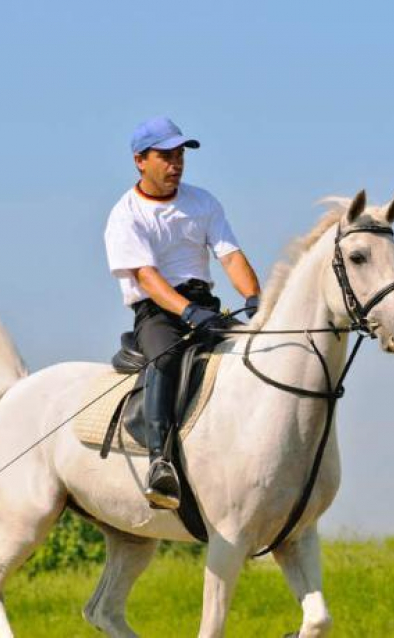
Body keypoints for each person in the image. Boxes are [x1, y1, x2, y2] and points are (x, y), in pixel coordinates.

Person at [104, 116, 261, 510]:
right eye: (165, 156)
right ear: (140, 160)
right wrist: (187, 312)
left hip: (202, 306)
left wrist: (256, 299)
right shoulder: (125, 214)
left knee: (254, 354)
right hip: (156, 311)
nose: (176, 164)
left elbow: (231, 256)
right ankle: (160, 462)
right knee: (167, 355)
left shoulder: (203, 202)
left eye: (180, 155)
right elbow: (146, 277)